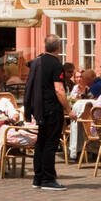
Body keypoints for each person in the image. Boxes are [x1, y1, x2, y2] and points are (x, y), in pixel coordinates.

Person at [23, 35, 70, 191]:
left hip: (39, 108)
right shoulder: (55, 64)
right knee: (50, 143)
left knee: (41, 143)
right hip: (52, 108)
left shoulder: (38, 61)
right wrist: (68, 110)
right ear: (58, 47)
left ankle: (38, 177)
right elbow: (59, 89)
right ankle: (48, 179)